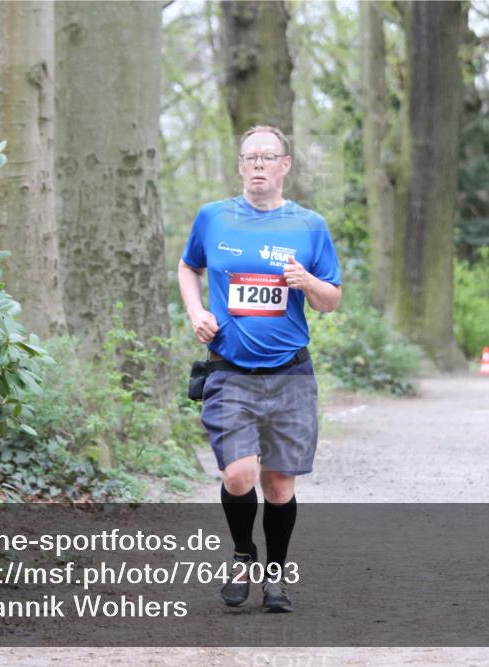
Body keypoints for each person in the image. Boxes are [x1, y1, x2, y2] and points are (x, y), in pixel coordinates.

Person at [177, 126, 342, 613]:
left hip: (290, 372)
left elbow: (331, 300)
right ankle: (243, 553)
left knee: (279, 484)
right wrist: (196, 313)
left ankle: (275, 576)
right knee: (238, 476)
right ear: (240, 166)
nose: (257, 165)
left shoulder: (310, 225)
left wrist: (307, 281)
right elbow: (189, 267)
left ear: (285, 165)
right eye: (249, 157)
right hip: (228, 369)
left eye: (267, 157)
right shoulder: (213, 218)